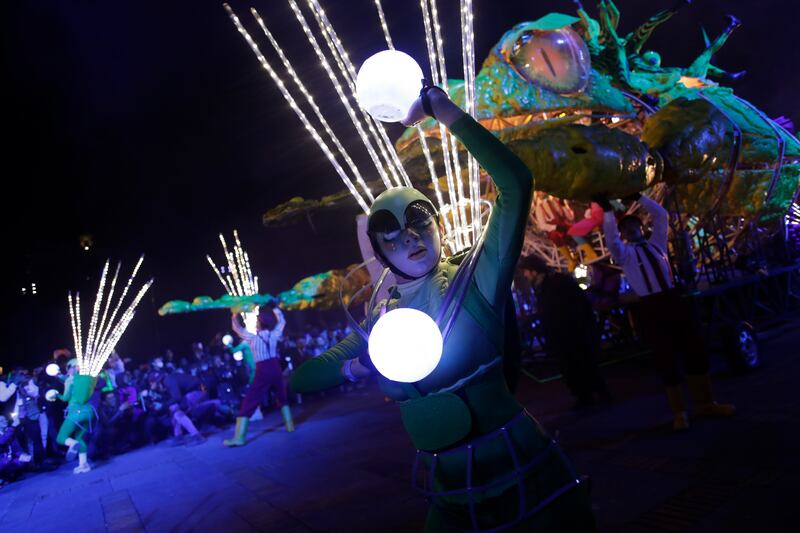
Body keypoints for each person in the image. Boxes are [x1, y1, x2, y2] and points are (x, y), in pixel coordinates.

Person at [291, 87, 595, 531]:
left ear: (439, 226)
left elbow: (515, 183)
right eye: (392, 235)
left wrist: (443, 110)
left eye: (420, 222)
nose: (410, 238)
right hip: (449, 490)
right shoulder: (382, 318)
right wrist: (359, 366)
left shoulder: (475, 276)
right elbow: (303, 377)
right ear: (379, 249)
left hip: (523, 471)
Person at [595, 192, 735, 430]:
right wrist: (608, 212)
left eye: (633, 225)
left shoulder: (656, 244)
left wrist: (639, 197)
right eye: (625, 228)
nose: (630, 229)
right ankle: (679, 413)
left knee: (694, 348)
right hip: (651, 306)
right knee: (665, 356)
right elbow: (611, 240)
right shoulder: (624, 254)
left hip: (672, 299)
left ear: (641, 227)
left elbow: (661, 215)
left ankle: (706, 403)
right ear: (622, 234)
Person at [519, 254, 608, 406]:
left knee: (579, 363)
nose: (525, 275)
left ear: (534, 270)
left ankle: (591, 395)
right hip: (565, 333)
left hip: (570, 332)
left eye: (526, 271)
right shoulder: (547, 284)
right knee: (577, 364)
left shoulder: (556, 282)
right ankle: (589, 395)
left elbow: (574, 304)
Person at [224, 301, 294, 447]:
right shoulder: (274, 334)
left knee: (250, 400)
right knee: (281, 395)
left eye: (256, 322)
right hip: (275, 367)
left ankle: (239, 437)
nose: (255, 324)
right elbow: (282, 322)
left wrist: (234, 314)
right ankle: (290, 426)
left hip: (263, 369)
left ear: (260, 324)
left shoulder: (253, 338)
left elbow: (237, 329)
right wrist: (275, 308)